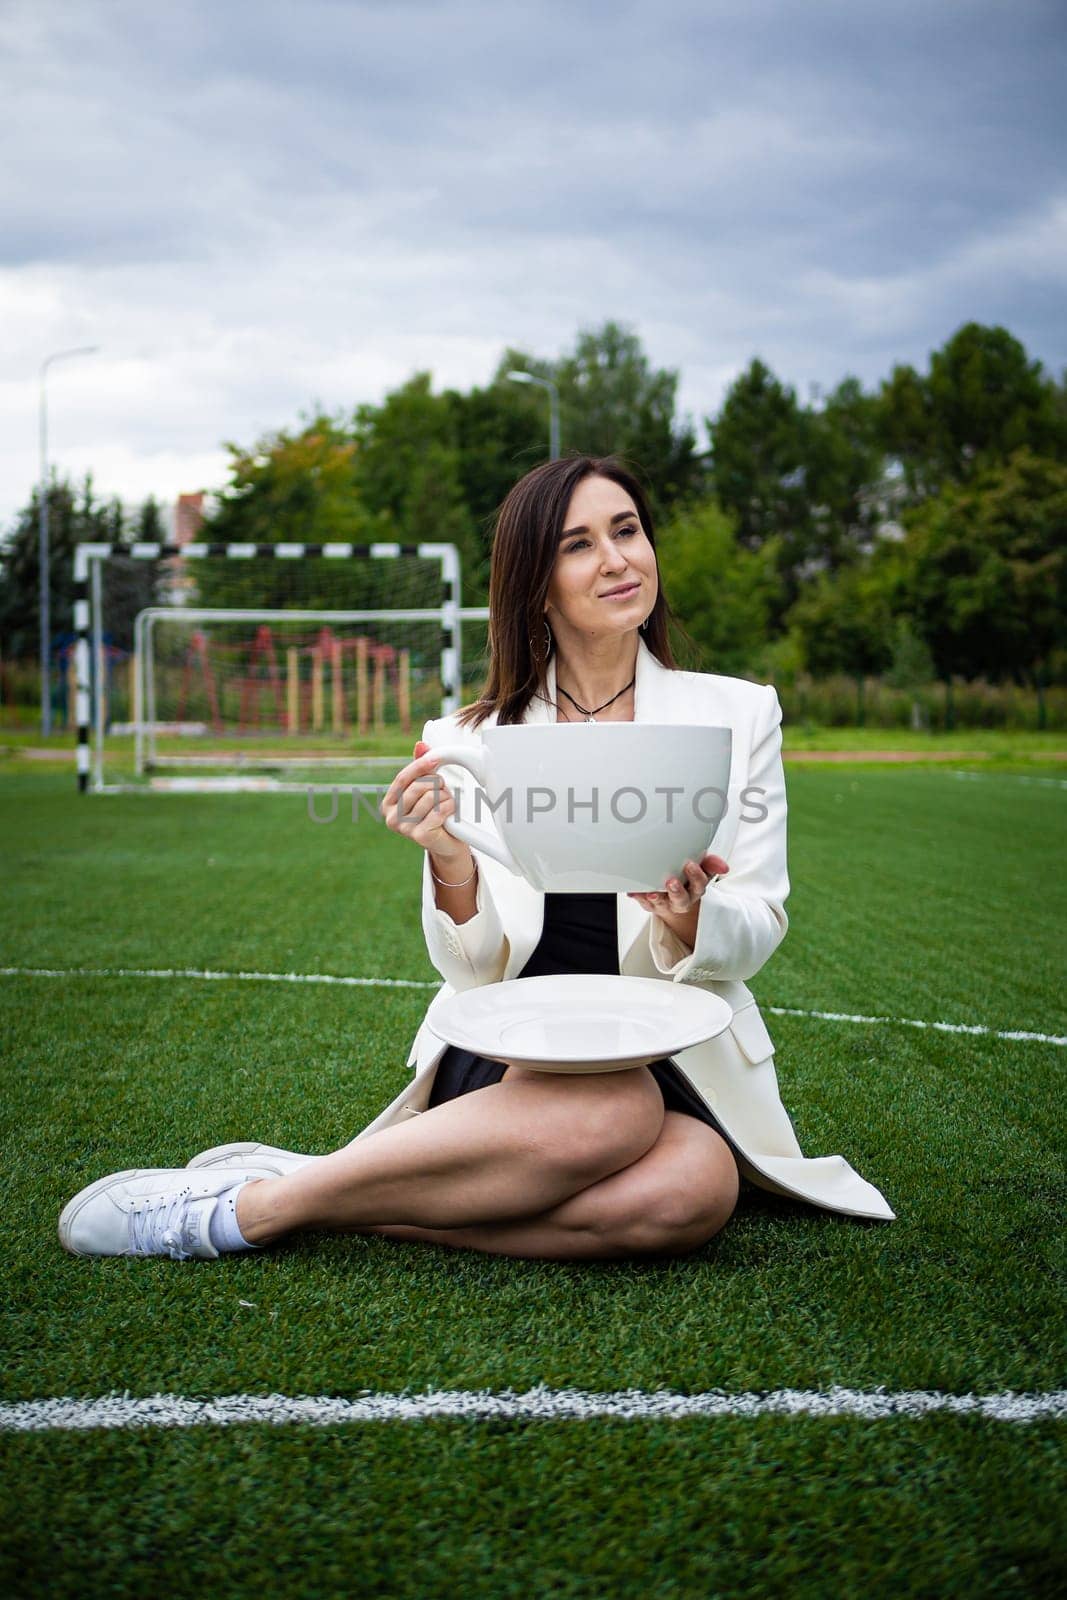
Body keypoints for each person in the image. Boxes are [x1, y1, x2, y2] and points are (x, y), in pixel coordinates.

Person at [59, 456, 894, 1266]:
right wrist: (448, 859)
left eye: (627, 530)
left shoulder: (739, 714)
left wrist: (689, 916)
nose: (616, 560)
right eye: (578, 544)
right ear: (535, 582)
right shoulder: (466, 739)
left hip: (675, 1047)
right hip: (514, 1051)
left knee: (696, 1189)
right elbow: (469, 970)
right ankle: (243, 1215)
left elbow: (759, 926)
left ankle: (307, 1195)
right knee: (611, 1110)